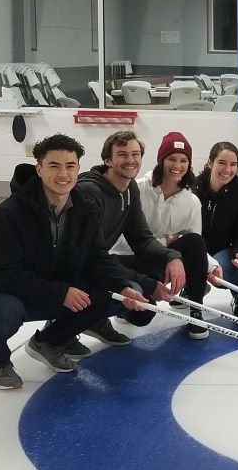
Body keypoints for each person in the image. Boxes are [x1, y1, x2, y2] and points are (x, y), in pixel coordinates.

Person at [0, 134, 147, 389]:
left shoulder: (85, 208)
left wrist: (123, 286)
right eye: (54, 166)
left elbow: (97, 258)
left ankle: (49, 342)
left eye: (70, 166)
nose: (63, 174)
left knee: (112, 294)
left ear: (78, 169)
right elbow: (0, 275)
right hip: (7, 291)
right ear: (39, 169)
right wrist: (60, 292)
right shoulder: (9, 214)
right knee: (3, 311)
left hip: (56, 286)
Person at [76, 131, 188, 345]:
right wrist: (147, 283)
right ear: (108, 160)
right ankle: (52, 336)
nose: (131, 160)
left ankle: (92, 320)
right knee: (137, 290)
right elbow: (92, 259)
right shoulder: (90, 192)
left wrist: (173, 256)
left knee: (143, 312)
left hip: (95, 263)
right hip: (74, 267)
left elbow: (142, 240)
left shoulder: (129, 189)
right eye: (122, 154)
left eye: (135, 154)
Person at [110, 131, 218, 339]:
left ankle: (195, 311)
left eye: (183, 160)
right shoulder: (136, 189)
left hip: (157, 262)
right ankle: (119, 308)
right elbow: (118, 242)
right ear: (161, 160)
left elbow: (195, 246)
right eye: (172, 159)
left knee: (194, 241)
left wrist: (213, 267)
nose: (177, 165)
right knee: (143, 316)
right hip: (126, 261)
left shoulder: (192, 201)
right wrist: (166, 242)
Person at [192, 141, 238, 319]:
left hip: (226, 248)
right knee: (186, 258)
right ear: (210, 163)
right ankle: (193, 290)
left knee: (223, 269)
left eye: (233, 165)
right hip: (198, 247)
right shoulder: (192, 189)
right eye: (221, 163)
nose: (227, 170)